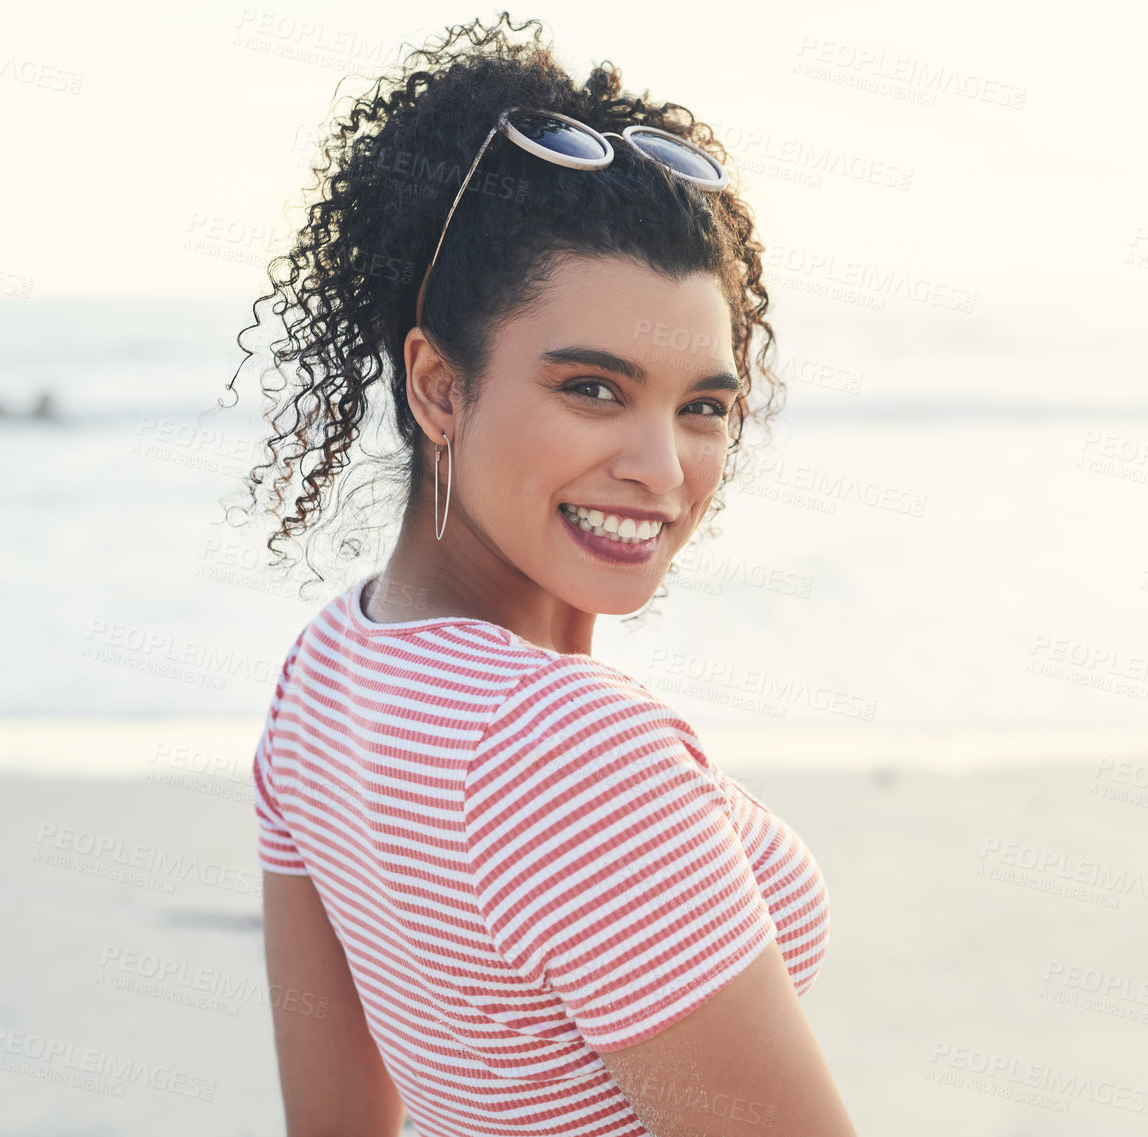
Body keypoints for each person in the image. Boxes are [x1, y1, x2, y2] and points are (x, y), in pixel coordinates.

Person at [226, 13, 858, 1136]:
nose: (662, 470)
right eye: (592, 389)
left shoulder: (322, 676)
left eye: (702, 406)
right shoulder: (569, 749)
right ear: (438, 387)